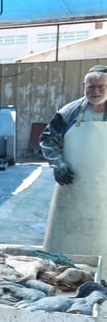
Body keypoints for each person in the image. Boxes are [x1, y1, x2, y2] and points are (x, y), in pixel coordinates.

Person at [39, 65, 107, 256]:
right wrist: (58, 163)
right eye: (91, 87)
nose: (96, 92)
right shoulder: (70, 112)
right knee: (63, 253)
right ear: (84, 85)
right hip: (73, 186)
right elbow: (47, 138)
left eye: (101, 87)